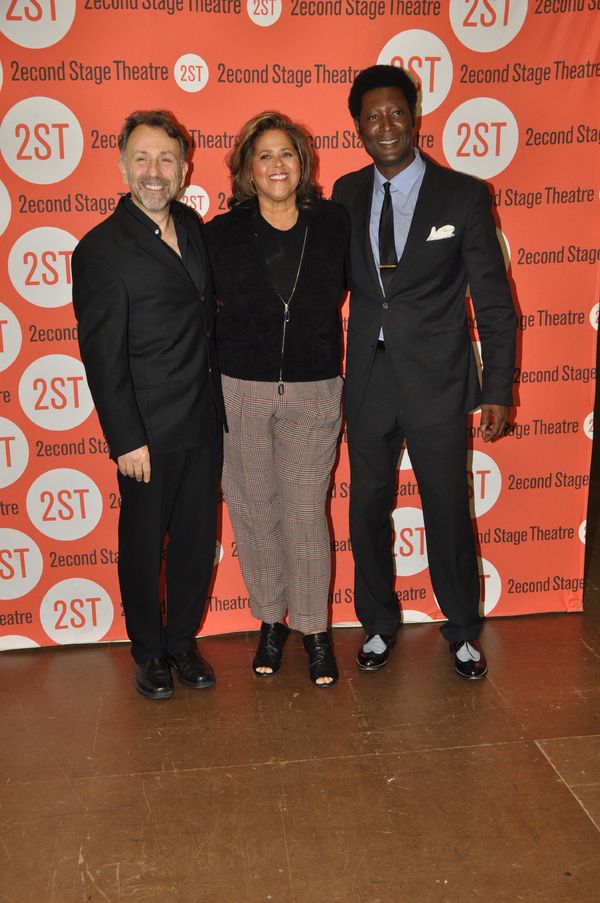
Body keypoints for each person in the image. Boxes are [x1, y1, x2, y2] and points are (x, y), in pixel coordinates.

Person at [332, 65, 516, 679]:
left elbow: (492, 302)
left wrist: (497, 389)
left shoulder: (463, 194)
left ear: (415, 116)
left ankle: (462, 629)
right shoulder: (345, 193)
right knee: (367, 513)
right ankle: (378, 624)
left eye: (395, 113)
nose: (384, 126)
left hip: (438, 382)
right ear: (358, 125)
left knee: (446, 509)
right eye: (371, 116)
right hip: (367, 383)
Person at [72, 110, 225, 699]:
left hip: (203, 421)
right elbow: (102, 357)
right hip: (147, 433)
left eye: (166, 159)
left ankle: (182, 643)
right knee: (142, 547)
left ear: (185, 167)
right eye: (142, 158)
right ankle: (148, 652)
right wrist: (126, 438)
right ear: (121, 165)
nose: (154, 171)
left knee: (193, 541)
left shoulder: (191, 225)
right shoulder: (101, 250)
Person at [204, 112, 349, 686]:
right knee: (253, 513)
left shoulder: (333, 223)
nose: (276, 165)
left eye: (285, 153)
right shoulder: (219, 234)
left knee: (304, 514)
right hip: (241, 391)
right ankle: (270, 622)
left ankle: (315, 631)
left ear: (302, 161)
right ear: (246, 169)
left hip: (315, 392)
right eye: (263, 155)